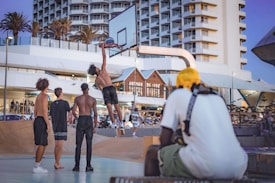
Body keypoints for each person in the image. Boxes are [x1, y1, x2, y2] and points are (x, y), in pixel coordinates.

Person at [144, 68, 248, 179]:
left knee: (152, 153)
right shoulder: (217, 97)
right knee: (187, 155)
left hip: (207, 165)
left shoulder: (178, 94)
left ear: (179, 85)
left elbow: (164, 139)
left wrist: (167, 156)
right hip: (239, 165)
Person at [88, 43, 123, 137]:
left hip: (105, 90)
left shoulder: (96, 80)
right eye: (96, 67)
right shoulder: (103, 70)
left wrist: (104, 90)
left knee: (110, 109)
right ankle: (122, 123)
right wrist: (103, 48)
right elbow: (104, 57)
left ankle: (114, 124)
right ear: (96, 69)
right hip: (111, 87)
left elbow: (100, 89)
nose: (97, 67)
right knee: (117, 107)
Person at [72, 83, 98, 172]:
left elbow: (73, 111)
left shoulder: (78, 99)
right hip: (88, 120)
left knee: (78, 145)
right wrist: (95, 126)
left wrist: (77, 118)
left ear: (81, 89)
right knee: (89, 144)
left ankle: (77, 166)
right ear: (88, 89)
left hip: (81, 118)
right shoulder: (92, 99)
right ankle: (88, 166)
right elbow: (95, 113)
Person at [49, 87, 71, 169]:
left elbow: (51, 116)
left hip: (55, 126)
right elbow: (70, 112)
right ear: (61, 93)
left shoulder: (52, 104)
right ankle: (57, 163)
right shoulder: (65, 103)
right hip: (62, 125)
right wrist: (69, 119)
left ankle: (56, 162)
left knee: (56, 145)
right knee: (60, 146)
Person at [32, 78, 50, 174]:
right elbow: (44, 112)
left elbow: (35, 111)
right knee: (42, 144)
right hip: (42, 120)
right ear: (46, 86)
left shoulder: (38, 96)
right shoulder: (45, 96)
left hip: (37, 120)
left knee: (42, 144)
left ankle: (37, 165)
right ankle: (36, 166)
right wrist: (48, 124)